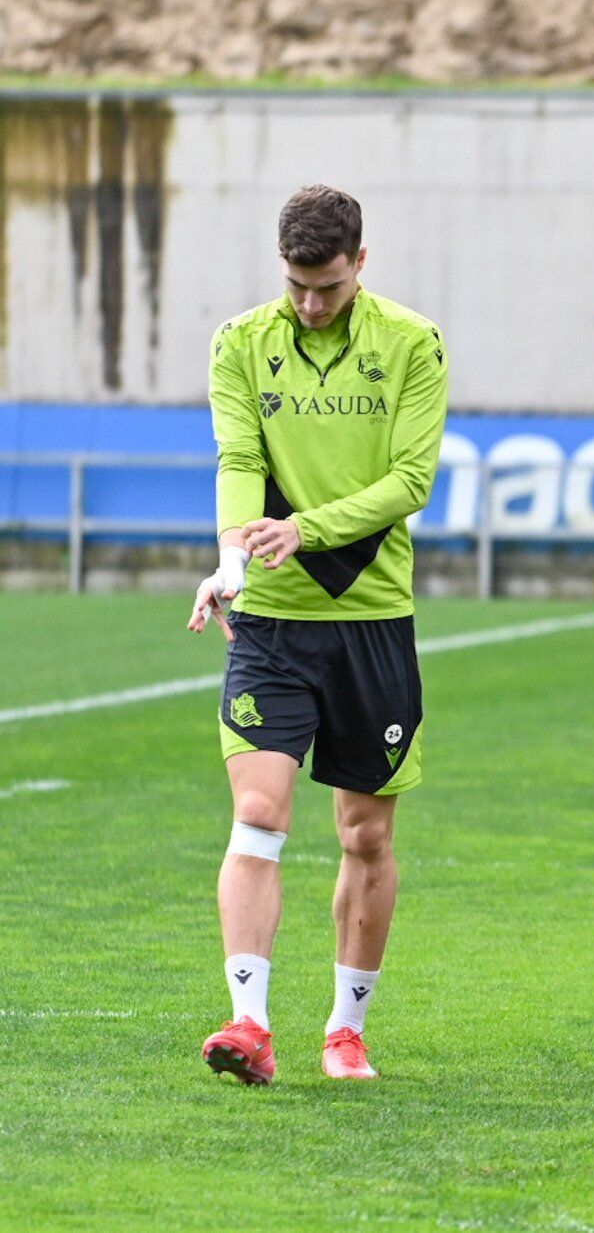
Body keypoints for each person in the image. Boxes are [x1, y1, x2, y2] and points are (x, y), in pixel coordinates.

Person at [187, 184, 447, 1084]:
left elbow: (412, 480)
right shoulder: (239, 343)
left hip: (373, 622)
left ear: (361, 265)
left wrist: (306, 530)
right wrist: (231, 560)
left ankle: (345, 1028)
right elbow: (240, 459)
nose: (309, 304)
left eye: (327, 287)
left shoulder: (412, 344)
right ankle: (249, 1024)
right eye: (296, 285)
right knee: (258, 815)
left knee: (365, 838)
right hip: (271, 626)